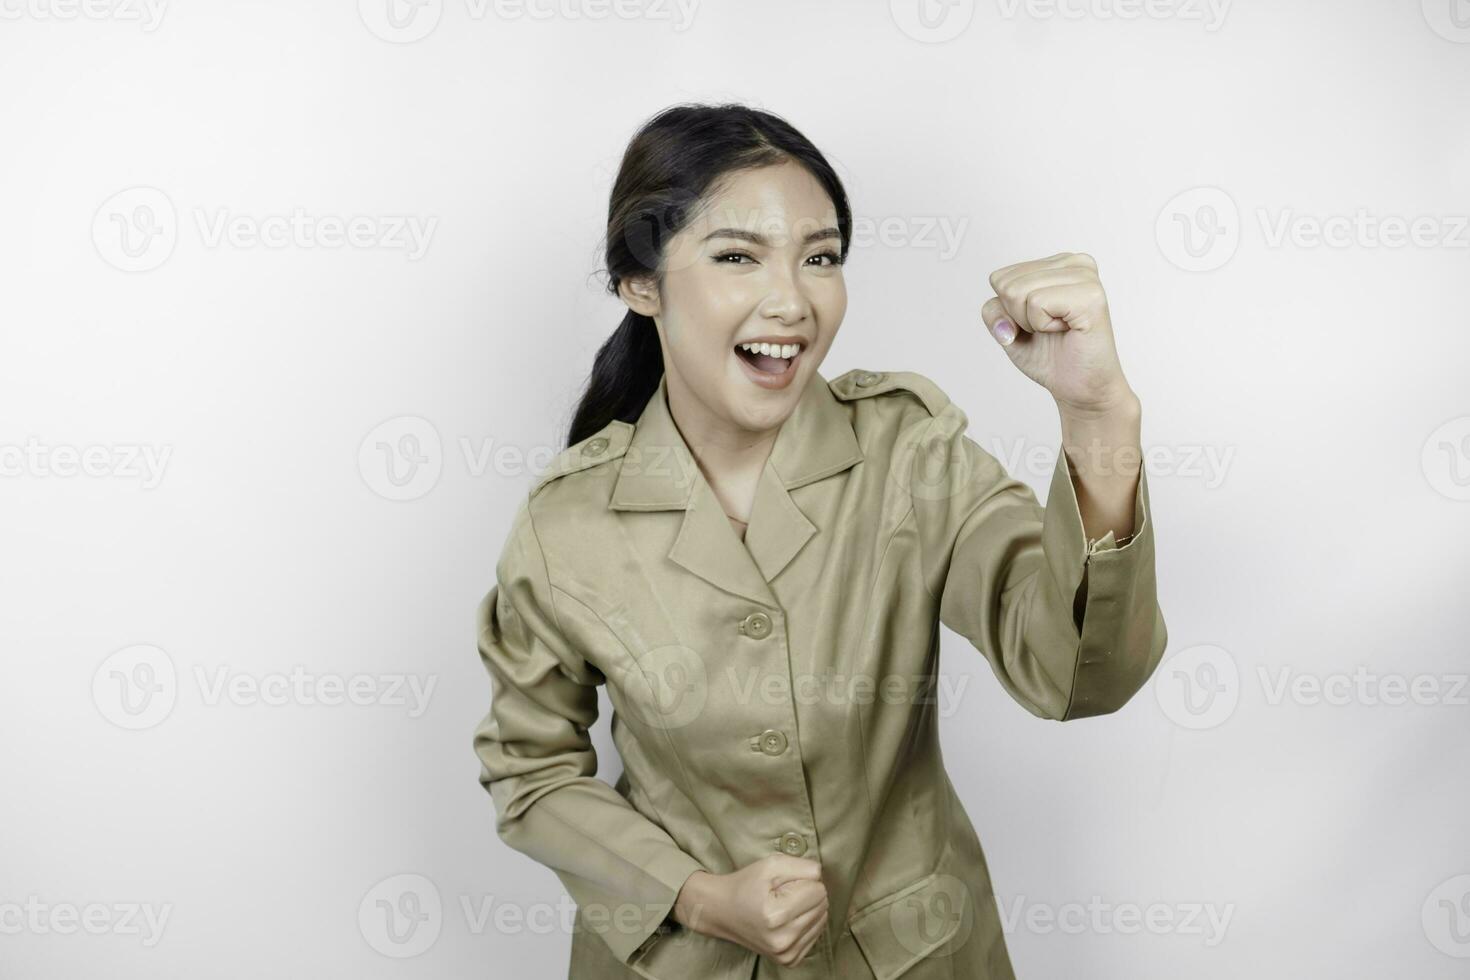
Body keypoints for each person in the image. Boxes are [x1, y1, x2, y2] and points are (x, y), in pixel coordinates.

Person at [472, 102, 1167, 980]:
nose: (792, 301)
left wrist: (1097, 415)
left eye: (821, 258)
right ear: (641, 284)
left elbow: (1076, 674)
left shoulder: (907, 454)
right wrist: (694, 893)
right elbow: (532, 775)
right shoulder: (566, 522)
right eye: (735, 256)